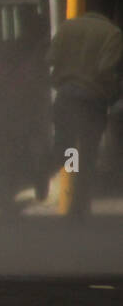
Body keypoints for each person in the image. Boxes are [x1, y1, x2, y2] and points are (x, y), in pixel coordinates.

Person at [46, 11, 123, 219]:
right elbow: (107, 67)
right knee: (87, 154)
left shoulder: (67, 28)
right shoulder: (112, 33)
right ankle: (78, 206)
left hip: (66, 96)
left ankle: (42, 169)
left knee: (66, 147)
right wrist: (113, 91)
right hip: (92, 100)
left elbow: (51, 58)